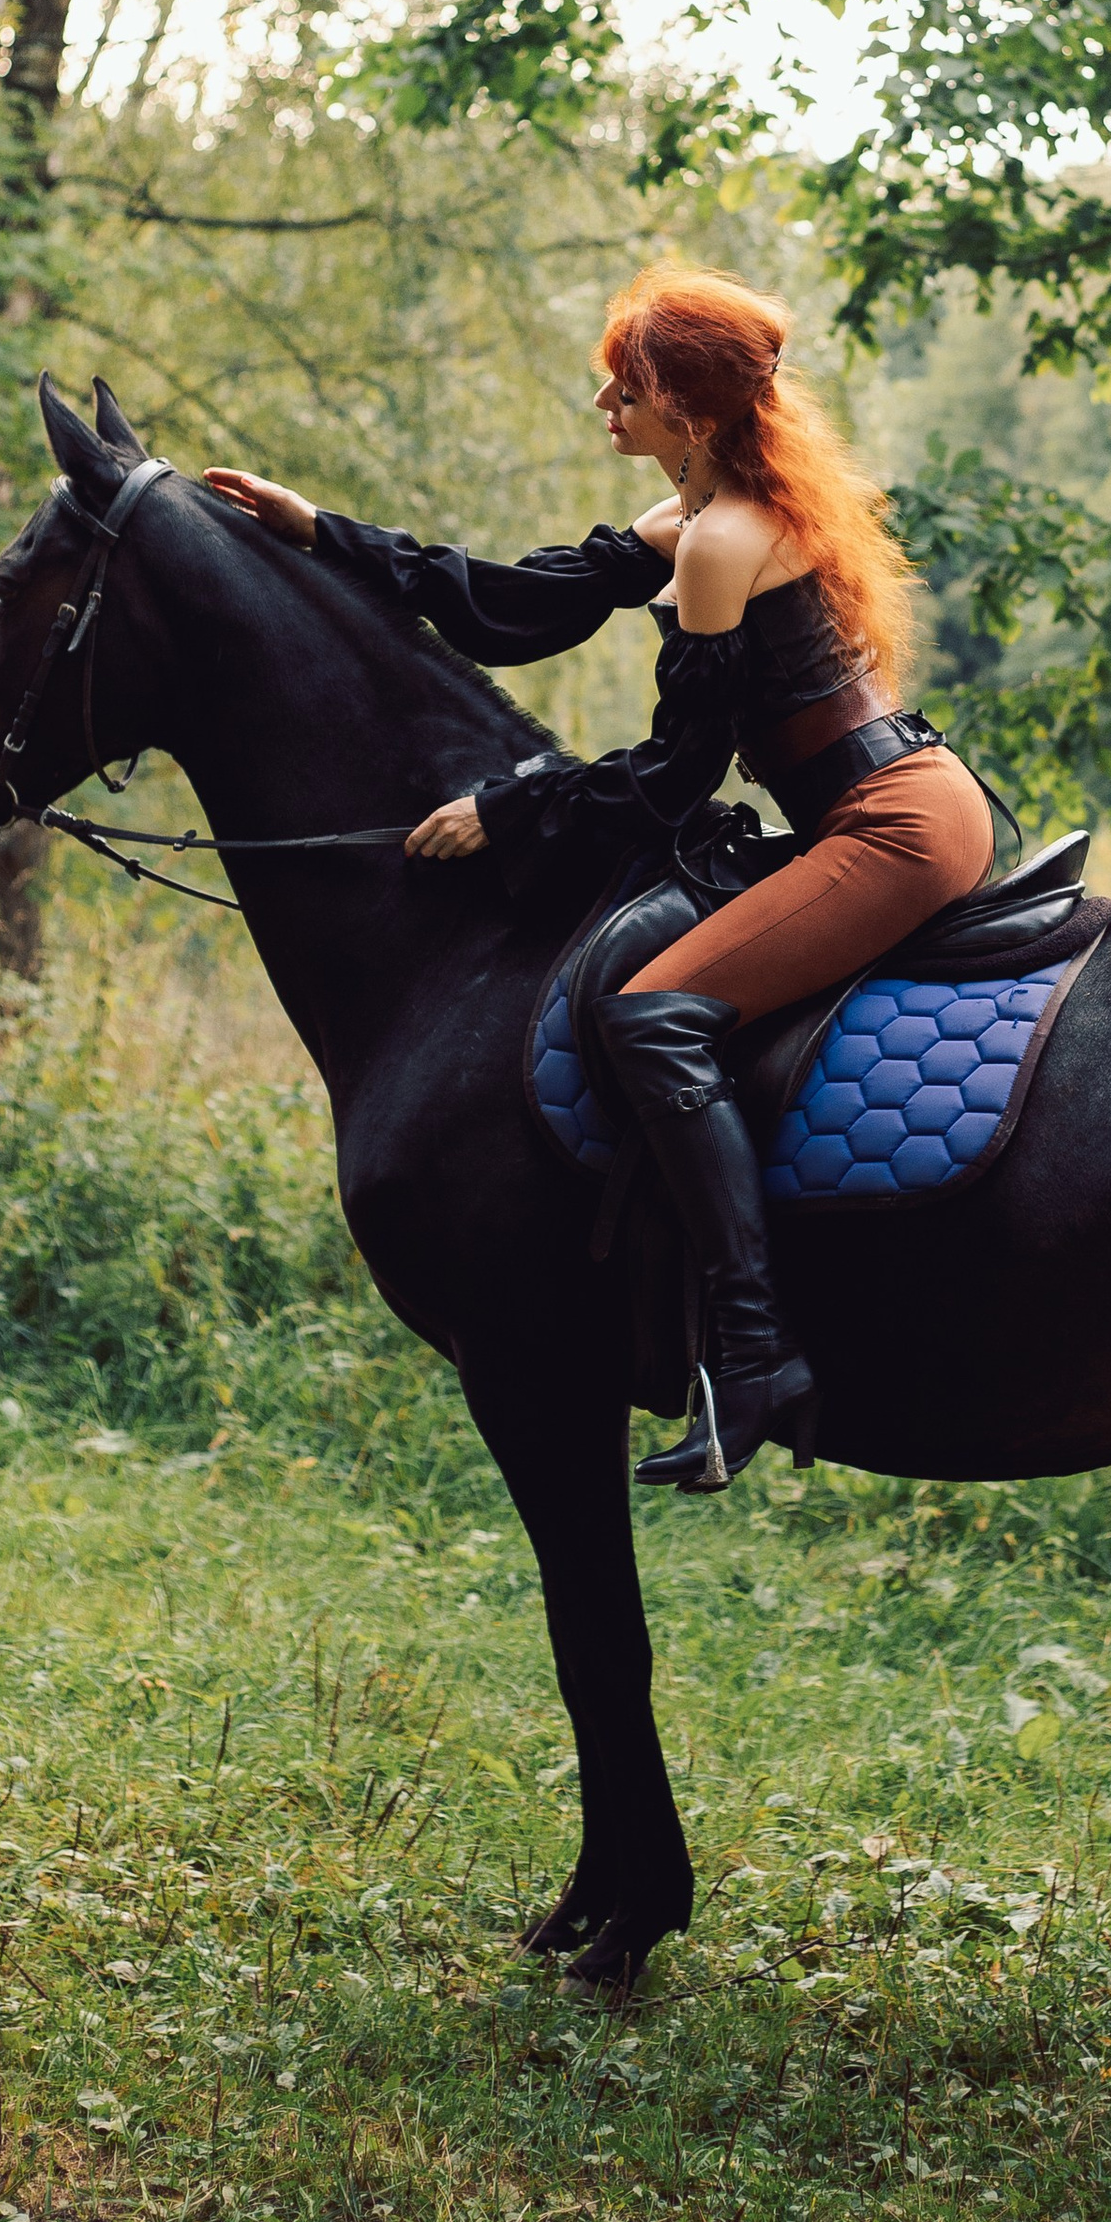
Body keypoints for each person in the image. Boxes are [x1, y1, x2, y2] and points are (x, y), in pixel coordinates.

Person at [205, 265, 996, 1490]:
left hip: (891, 829)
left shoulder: (728, 542)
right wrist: (319, 533)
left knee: (651, 1014)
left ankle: (755, 1355)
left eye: (623, 384)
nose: (600, 402)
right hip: (879, 806)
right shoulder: (705, 512)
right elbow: (520, 605)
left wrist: (507, 808)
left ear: (684, 406)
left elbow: (674, 775)